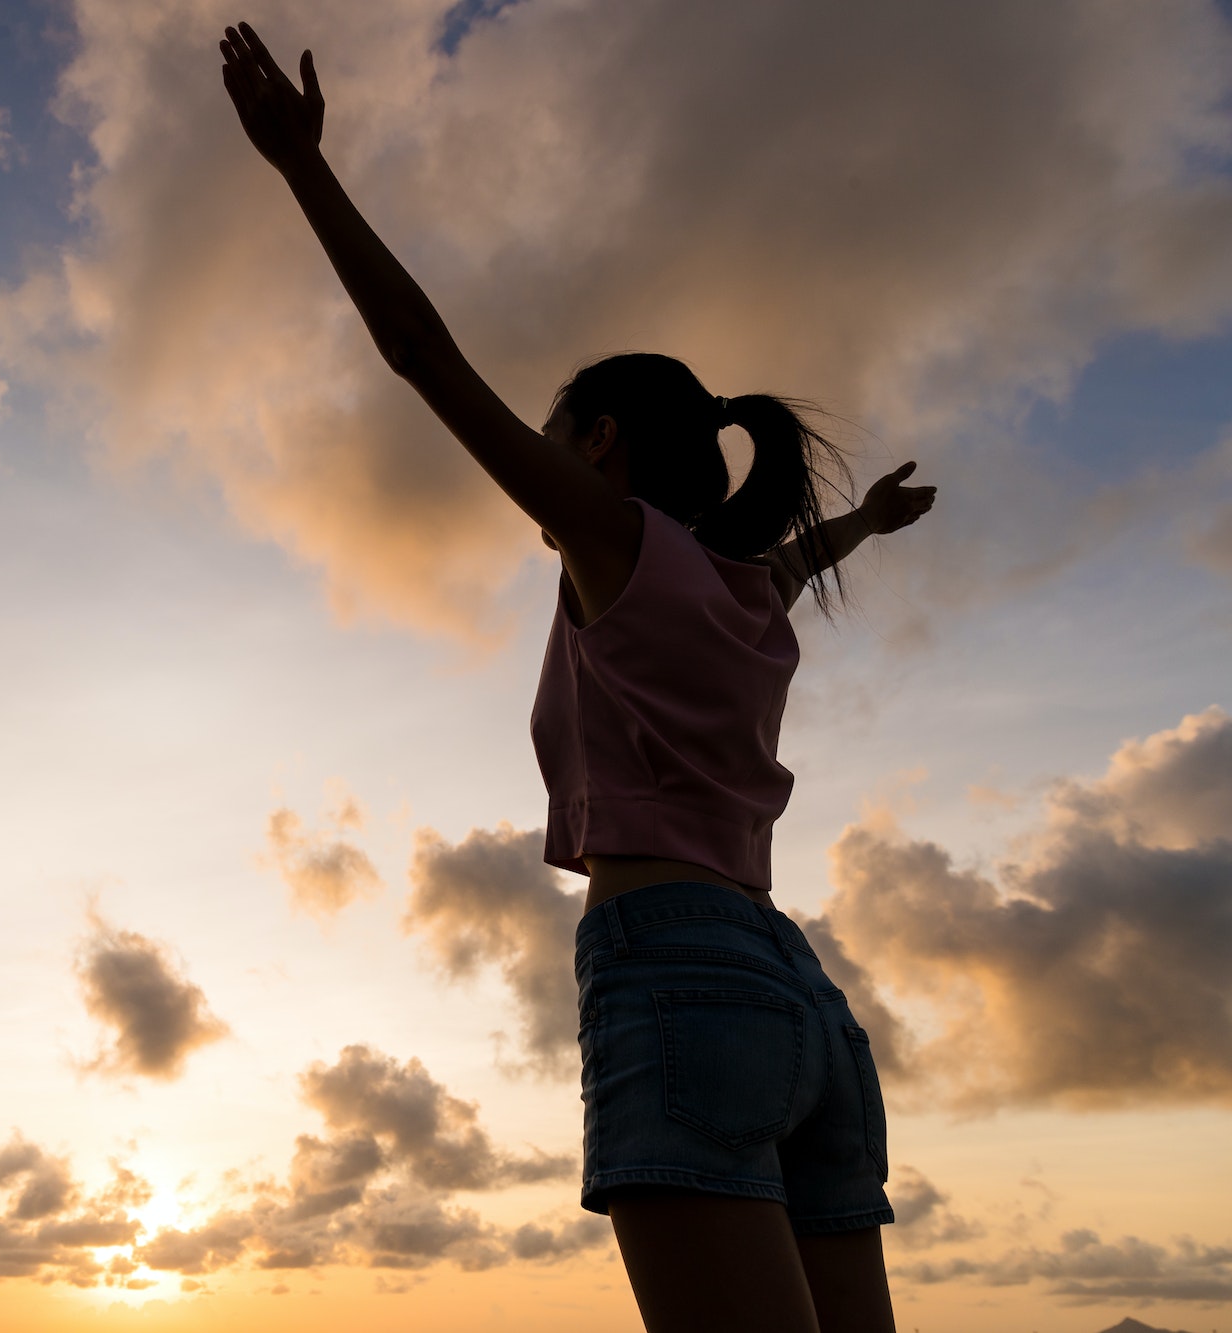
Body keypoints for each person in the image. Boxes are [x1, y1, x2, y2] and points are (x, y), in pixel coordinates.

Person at [219, 21, 935, 1332]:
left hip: (679, 970)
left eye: (557, 440)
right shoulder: (741, 584)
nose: (539, 463)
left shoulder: (618, 543)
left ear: (598, 445)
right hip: (804, 1001)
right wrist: (869, 527)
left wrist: (301, 170)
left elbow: (423, 360)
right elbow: (793, 552)